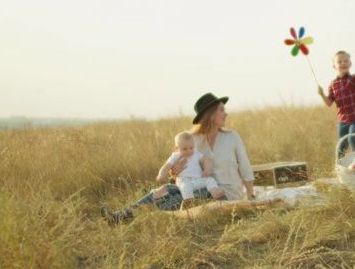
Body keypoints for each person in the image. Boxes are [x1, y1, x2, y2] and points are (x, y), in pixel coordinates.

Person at [101, 92, 256, 224]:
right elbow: (177, 168)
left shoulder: (232, 137)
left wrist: (251, 197)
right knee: (166, 189)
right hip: (197, 184)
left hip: (225, 191)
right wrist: (174, 171)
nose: (226, 114)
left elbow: (245, 168)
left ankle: (142, 220)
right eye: (222, 110)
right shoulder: (193, 140)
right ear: (210, 114)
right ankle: (120, 216)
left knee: (180, 198)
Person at [318, 48, 355, 158]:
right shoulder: (333, 84)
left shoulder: (353, 79)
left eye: (346, 61)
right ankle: (339, 168)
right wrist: (322, 94)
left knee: (352, 138)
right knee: (341, 145)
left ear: (350, 64)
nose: (343, 63)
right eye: (339, 62)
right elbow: (329, 103)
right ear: (334, 66)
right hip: (343, 120)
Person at [156, 131, 226, 201]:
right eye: (185, 149)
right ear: (177, 149)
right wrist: (161, 175)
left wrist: (207, 169)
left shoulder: (196, 154)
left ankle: (215, 193)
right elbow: (167, 166)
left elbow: (205, 160)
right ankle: (189, 200)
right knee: (185, 187)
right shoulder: (175, 156)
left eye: (191, 148)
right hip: (184, 180)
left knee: (210, 180)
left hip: (198, 179)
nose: (189, 151)